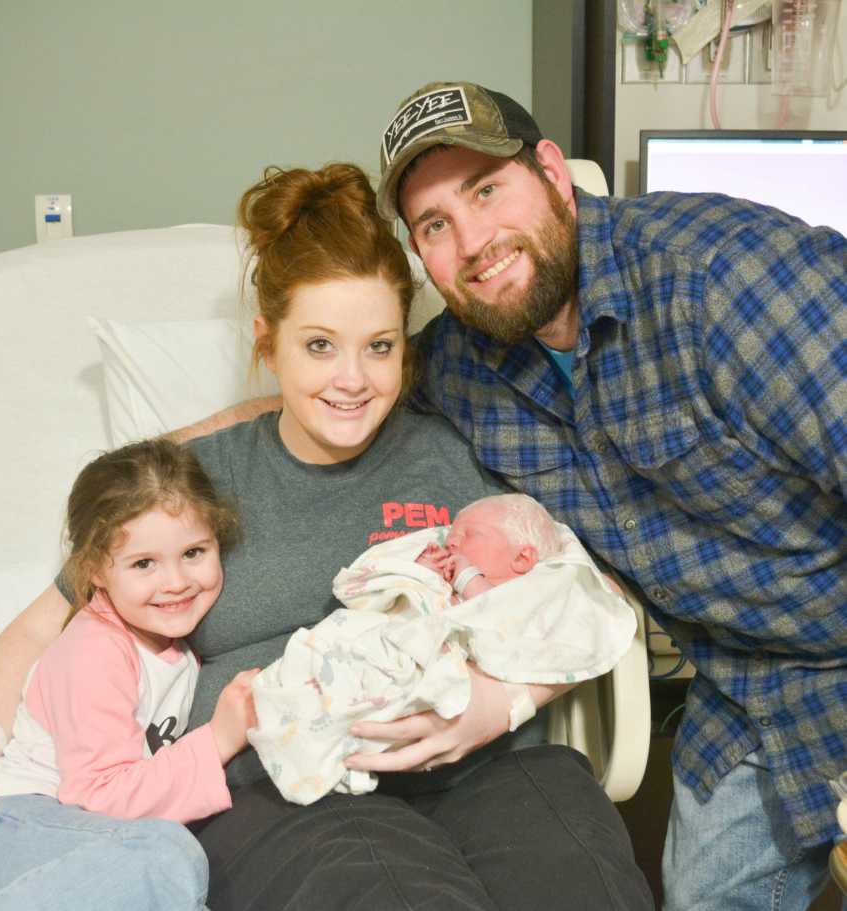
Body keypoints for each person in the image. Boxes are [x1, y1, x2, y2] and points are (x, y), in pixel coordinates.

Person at [0, 162, 652, 911]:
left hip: (488, 762)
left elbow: (580, 594)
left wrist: (504, 703)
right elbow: (41, 624)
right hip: (280, 788)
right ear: (267, 341)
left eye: (379, 346)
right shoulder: (186, 486)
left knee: (583, 883)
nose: (352, 378)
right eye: (319, 346)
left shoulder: (457, 447)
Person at [362, 80, 846, 911]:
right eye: (436, 224)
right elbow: (341, 387)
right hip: (749, 693)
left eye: (486, 189)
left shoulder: (726, 282)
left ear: (553, 172)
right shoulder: (466, 364)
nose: (473, 241)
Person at [0, 438, 259, 909]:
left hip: (78, 836)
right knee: (168, 855)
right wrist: (219, 739)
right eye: (144, 564)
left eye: (194, 553)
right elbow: (98, 793)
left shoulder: (170, 643)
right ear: (96, 568)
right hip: (17, 824)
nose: (176, 581)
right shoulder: (95, 649)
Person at [248, 492, 636, 805]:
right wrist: (420, 570)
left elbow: (493, 617)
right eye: (453, 535)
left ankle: (335, 739)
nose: (452, 540)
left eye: (470, 535)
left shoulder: (523, 595)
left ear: (523, 558)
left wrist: (466, 576)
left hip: (458, 704)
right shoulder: (454, 573)